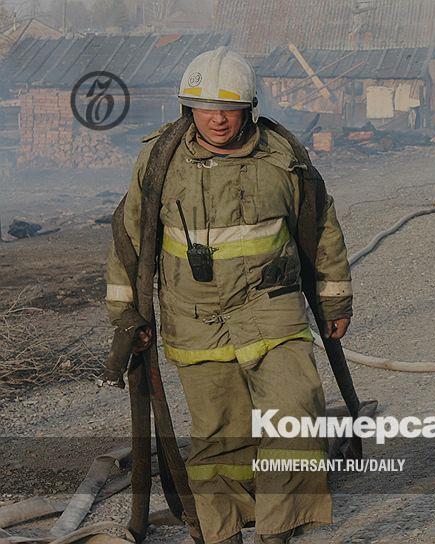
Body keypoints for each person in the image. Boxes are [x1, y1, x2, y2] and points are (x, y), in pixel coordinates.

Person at [105, 47, 354, 544]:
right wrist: (126, 314)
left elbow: (320, 227)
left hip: (272, 309)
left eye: (230, 107)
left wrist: (334, 300)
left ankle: (276, 531)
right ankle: (224, 533)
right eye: (206, 107)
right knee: (220, 437)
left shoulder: (282, 158)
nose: (217, 118)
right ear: (188, 107)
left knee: (295, 415)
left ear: (250, 108)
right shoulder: (160, 161)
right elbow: (130, 238)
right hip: (194, 318)